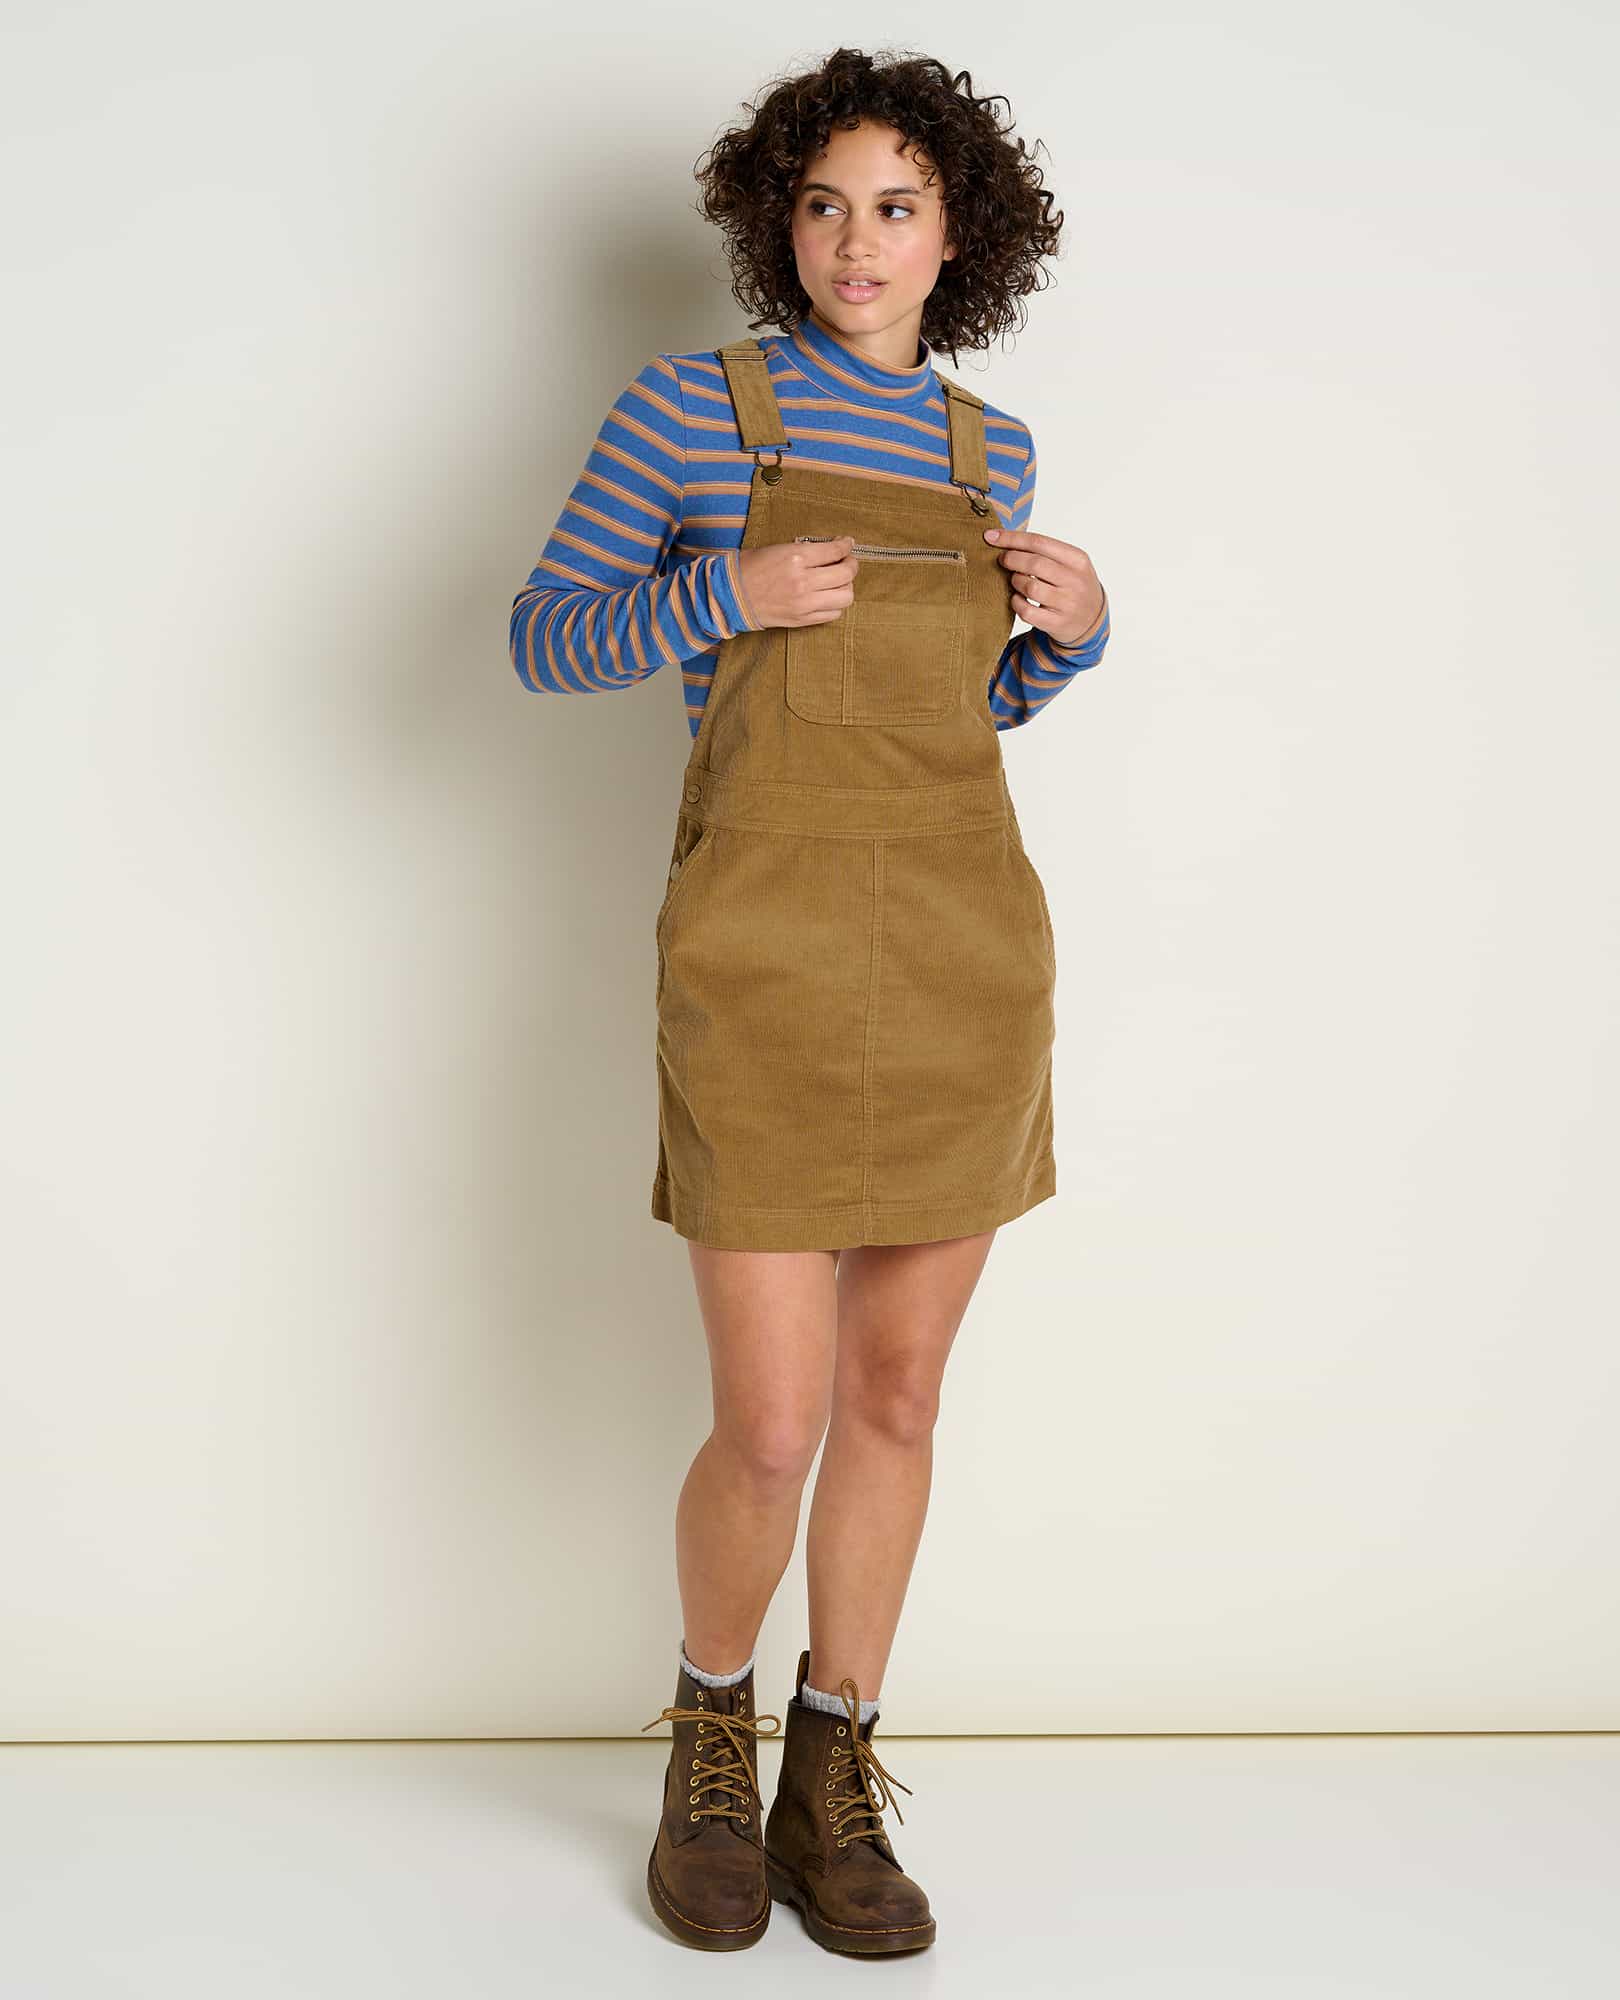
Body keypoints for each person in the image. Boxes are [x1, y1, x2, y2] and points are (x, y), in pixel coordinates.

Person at [509, 45, 1111, 1957]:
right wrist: (724, 600)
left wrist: (1072, 640)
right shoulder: (692, 412)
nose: (859, 242)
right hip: (759, 956)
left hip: (961, 958)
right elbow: (542, 639)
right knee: (769, 1425)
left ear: (959, 238)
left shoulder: (992, 454)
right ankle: (712, 1739)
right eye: (828, 203)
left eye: (899, 207)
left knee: (898, 1394)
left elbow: (965, 712)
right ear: (781, 221)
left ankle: (831, 1768)